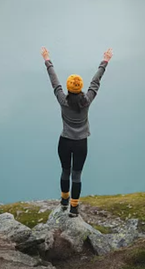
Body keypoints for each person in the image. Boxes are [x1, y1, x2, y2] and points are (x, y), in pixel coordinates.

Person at [40, 46, 113, 217]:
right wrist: (105, 61)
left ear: (68, 88)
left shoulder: (63, 100)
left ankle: (64, 201)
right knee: (77, 175)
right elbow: (96, 82)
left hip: (64, 141)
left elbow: (54, 81)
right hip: (81, 143)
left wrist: (47, 59)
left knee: (65, 171)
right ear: (80, 88)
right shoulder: (86, 101)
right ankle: (73, 208)